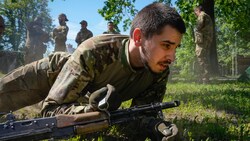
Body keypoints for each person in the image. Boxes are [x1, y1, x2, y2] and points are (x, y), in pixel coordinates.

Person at [0, 3, 186, 140]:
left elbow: (139, 117)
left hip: (83, 96)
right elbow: (49, 112)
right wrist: (91, 111)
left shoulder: (159, 68)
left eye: (175, 48)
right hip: (52, 74)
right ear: (138, 37)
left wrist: (157, 127)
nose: (172, 57)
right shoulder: (95, 51)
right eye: (166, 45)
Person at [194, 6, 213, 83]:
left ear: (197, 10)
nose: (195, 14)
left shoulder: (202, 15)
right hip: (206, 40)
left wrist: (195, 29)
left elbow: (199, 26)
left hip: (202, 40)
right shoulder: (207, 16)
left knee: (201, 58)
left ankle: (203, 79)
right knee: (205, 58)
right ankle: (205, 78)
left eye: (195, 12)